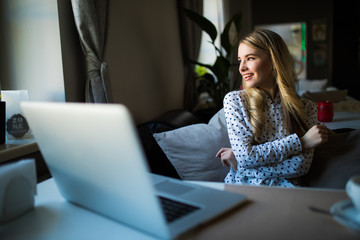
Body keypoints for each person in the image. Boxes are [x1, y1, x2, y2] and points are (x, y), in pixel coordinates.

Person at [216, 29, 330, 187]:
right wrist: (302, 142)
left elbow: (300, 166)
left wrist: (245, 163)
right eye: (240, 60)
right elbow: (245, 157)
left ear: (273, 61)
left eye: (250, 58)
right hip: (243, 190)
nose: (241, 68)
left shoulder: (307, 108)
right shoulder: (235, 101)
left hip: (290, 194)